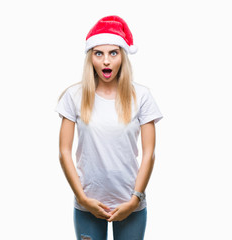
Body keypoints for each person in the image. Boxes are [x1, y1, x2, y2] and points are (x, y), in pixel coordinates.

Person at [55, 15, 163, 240]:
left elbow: (149, 154)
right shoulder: (73, 97)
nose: (106, 61)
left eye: (113, 53)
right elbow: (64, 152)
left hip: (130, 204)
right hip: (88, 205)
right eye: (98, 53)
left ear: (123, 56)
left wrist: (134, 200)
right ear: (90, 57)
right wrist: (83, 199)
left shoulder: (141, 96)